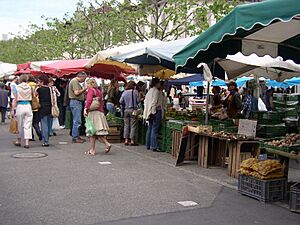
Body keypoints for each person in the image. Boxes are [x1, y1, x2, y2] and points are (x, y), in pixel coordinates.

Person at [84, 78, 111, 155]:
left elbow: (89, 101)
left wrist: (85, 109)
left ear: (91, 84)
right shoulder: (99, 91)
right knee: (97, 132)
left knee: (92, 132)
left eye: (87, 84)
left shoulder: (91, 90)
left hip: (93, 113)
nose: (86, 86)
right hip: (100, 113)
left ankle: (93, 150)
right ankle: (106, 144)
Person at [12, 75, 33, 149]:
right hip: (28, 105)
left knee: (19, 125)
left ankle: (19, 141)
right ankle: (27, 142)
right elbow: (32, 96)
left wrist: (12, 110)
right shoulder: (30, 87)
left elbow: (15, 99)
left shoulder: (16, 87)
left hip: (20, 106)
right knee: (28, 125)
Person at [143, 77, 162, 152]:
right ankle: (153, 146)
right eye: (159, 83)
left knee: (150, 128)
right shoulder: (156, 91)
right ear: (157, 83)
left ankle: (148, 144)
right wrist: (153, 112)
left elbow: (145, 102)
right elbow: (154, 103)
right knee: (154, 129)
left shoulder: (149, 91)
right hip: (155, 112)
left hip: (149, 112)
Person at [69, 72, 87, 143]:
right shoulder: (75, 81)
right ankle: (75, 137)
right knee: (77, 120)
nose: (84, 80)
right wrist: (84, 89)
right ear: (81, 77)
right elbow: (76, 92)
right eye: (84, 79)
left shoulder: (74, 81)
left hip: (76, 102)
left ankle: (76, 135)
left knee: (77, 120)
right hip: (76, 102)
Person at [120, 81, 140, 146]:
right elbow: (138, 101)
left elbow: (120, 101)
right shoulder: (135, 92)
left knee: (126, 125)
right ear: (134, 86)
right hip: (133, 110)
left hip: (126, 110)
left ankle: (126, 140)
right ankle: (132, 140)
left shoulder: (124, 92)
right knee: (133, 125)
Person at [37, 75, 52, 147]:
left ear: (42, 82)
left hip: (42, 107)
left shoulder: (39, 89)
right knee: (48, 124)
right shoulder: (50, 89)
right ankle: (47, 139)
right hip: (49, 107)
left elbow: (35, 96)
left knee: (44, 124)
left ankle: (45, 141)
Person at [27, 75, 42, 141]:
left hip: (29, 106)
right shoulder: (37, 86)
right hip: (36, 106)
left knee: (29, 122)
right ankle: (39, 133)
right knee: (36, 122)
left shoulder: (27, 86)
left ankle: (31, 136)